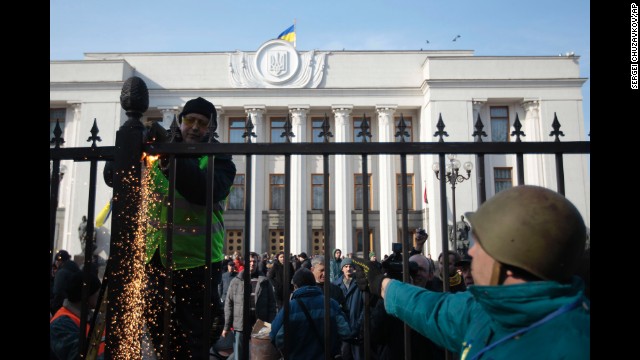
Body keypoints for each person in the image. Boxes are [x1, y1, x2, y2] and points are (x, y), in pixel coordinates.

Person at [353, 186, 589, 359]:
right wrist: (381, 284)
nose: (472, 253)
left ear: (506, 258)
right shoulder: (484, 309)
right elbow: (429, 308)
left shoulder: (576, 343)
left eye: (478, 244)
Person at [104, 97, 236, 359]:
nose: (194, 127)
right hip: (156, 260)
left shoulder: (218, 159)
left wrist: (170, 155)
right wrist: (134, 145)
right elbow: (114, 177)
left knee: (194, 337)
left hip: (198, 264)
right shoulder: (160, 152)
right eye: (190, 120)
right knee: (159, 332)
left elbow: (200, 190)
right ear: (181, 121)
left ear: (211, 129)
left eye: (202, 123)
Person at [270, 268, 352, 359]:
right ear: (314, 283)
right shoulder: (331, 304)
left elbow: (276, 337)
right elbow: (345, 332)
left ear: (295, 286)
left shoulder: (290, 308)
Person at [222, 251, 277, 360]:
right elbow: (229, 304)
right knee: (240, 354)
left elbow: (272, 304)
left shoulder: (265, 281)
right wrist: (226, 326)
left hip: (261, 324)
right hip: (241, 323)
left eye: (255, 261)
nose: (252, 264)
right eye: (250, 261)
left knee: (260, 355)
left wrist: (271, 324)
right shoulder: (236, 281)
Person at [50, 271, 104, 360]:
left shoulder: (90, 316)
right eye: (97, 292)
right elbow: (79, 356)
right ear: (85, 296)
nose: (100, 296)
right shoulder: (61, 325)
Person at [50, 250, 80, 314]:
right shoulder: (75, 268)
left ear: (59, 262)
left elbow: (58, 292)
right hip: (74, 307)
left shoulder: (61, 273)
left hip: (61, 307)